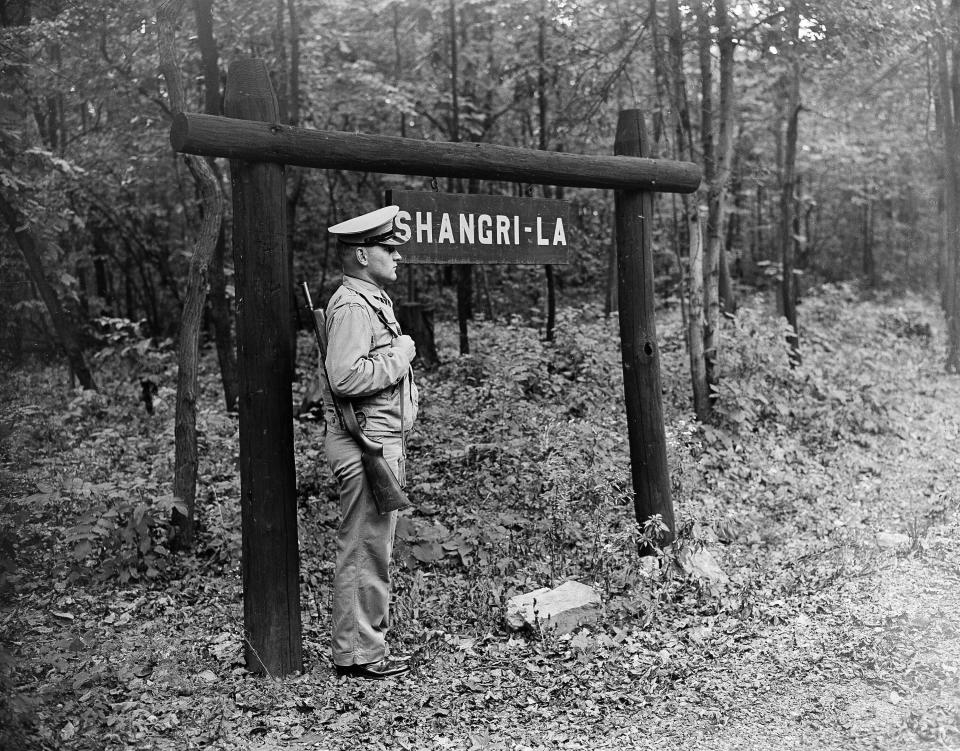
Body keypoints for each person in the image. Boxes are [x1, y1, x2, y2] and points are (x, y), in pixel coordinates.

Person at [320, 205, 419, 680]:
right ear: (362, 253)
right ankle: (358, 655)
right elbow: (345, 376)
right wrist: (400, 356)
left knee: (371, 549)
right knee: (363, 550)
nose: (398, 256)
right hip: (365, 447)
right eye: (389, 248)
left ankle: (364, 647)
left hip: (376, 444)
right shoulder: (355, 305)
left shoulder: (370, 299)